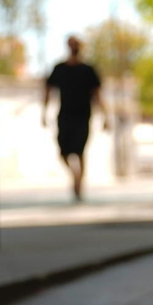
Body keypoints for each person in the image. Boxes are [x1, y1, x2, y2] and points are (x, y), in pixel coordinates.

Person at [42, 35, 106, 201]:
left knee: (80, 151)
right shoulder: (59, 69)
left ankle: (79, 186)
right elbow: (48, 90)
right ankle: (75, 175)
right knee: (63, 151)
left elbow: (97, 95)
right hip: (65, 116)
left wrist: (105, 116)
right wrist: (43, 112)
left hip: (83, 116)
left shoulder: (88, 70)